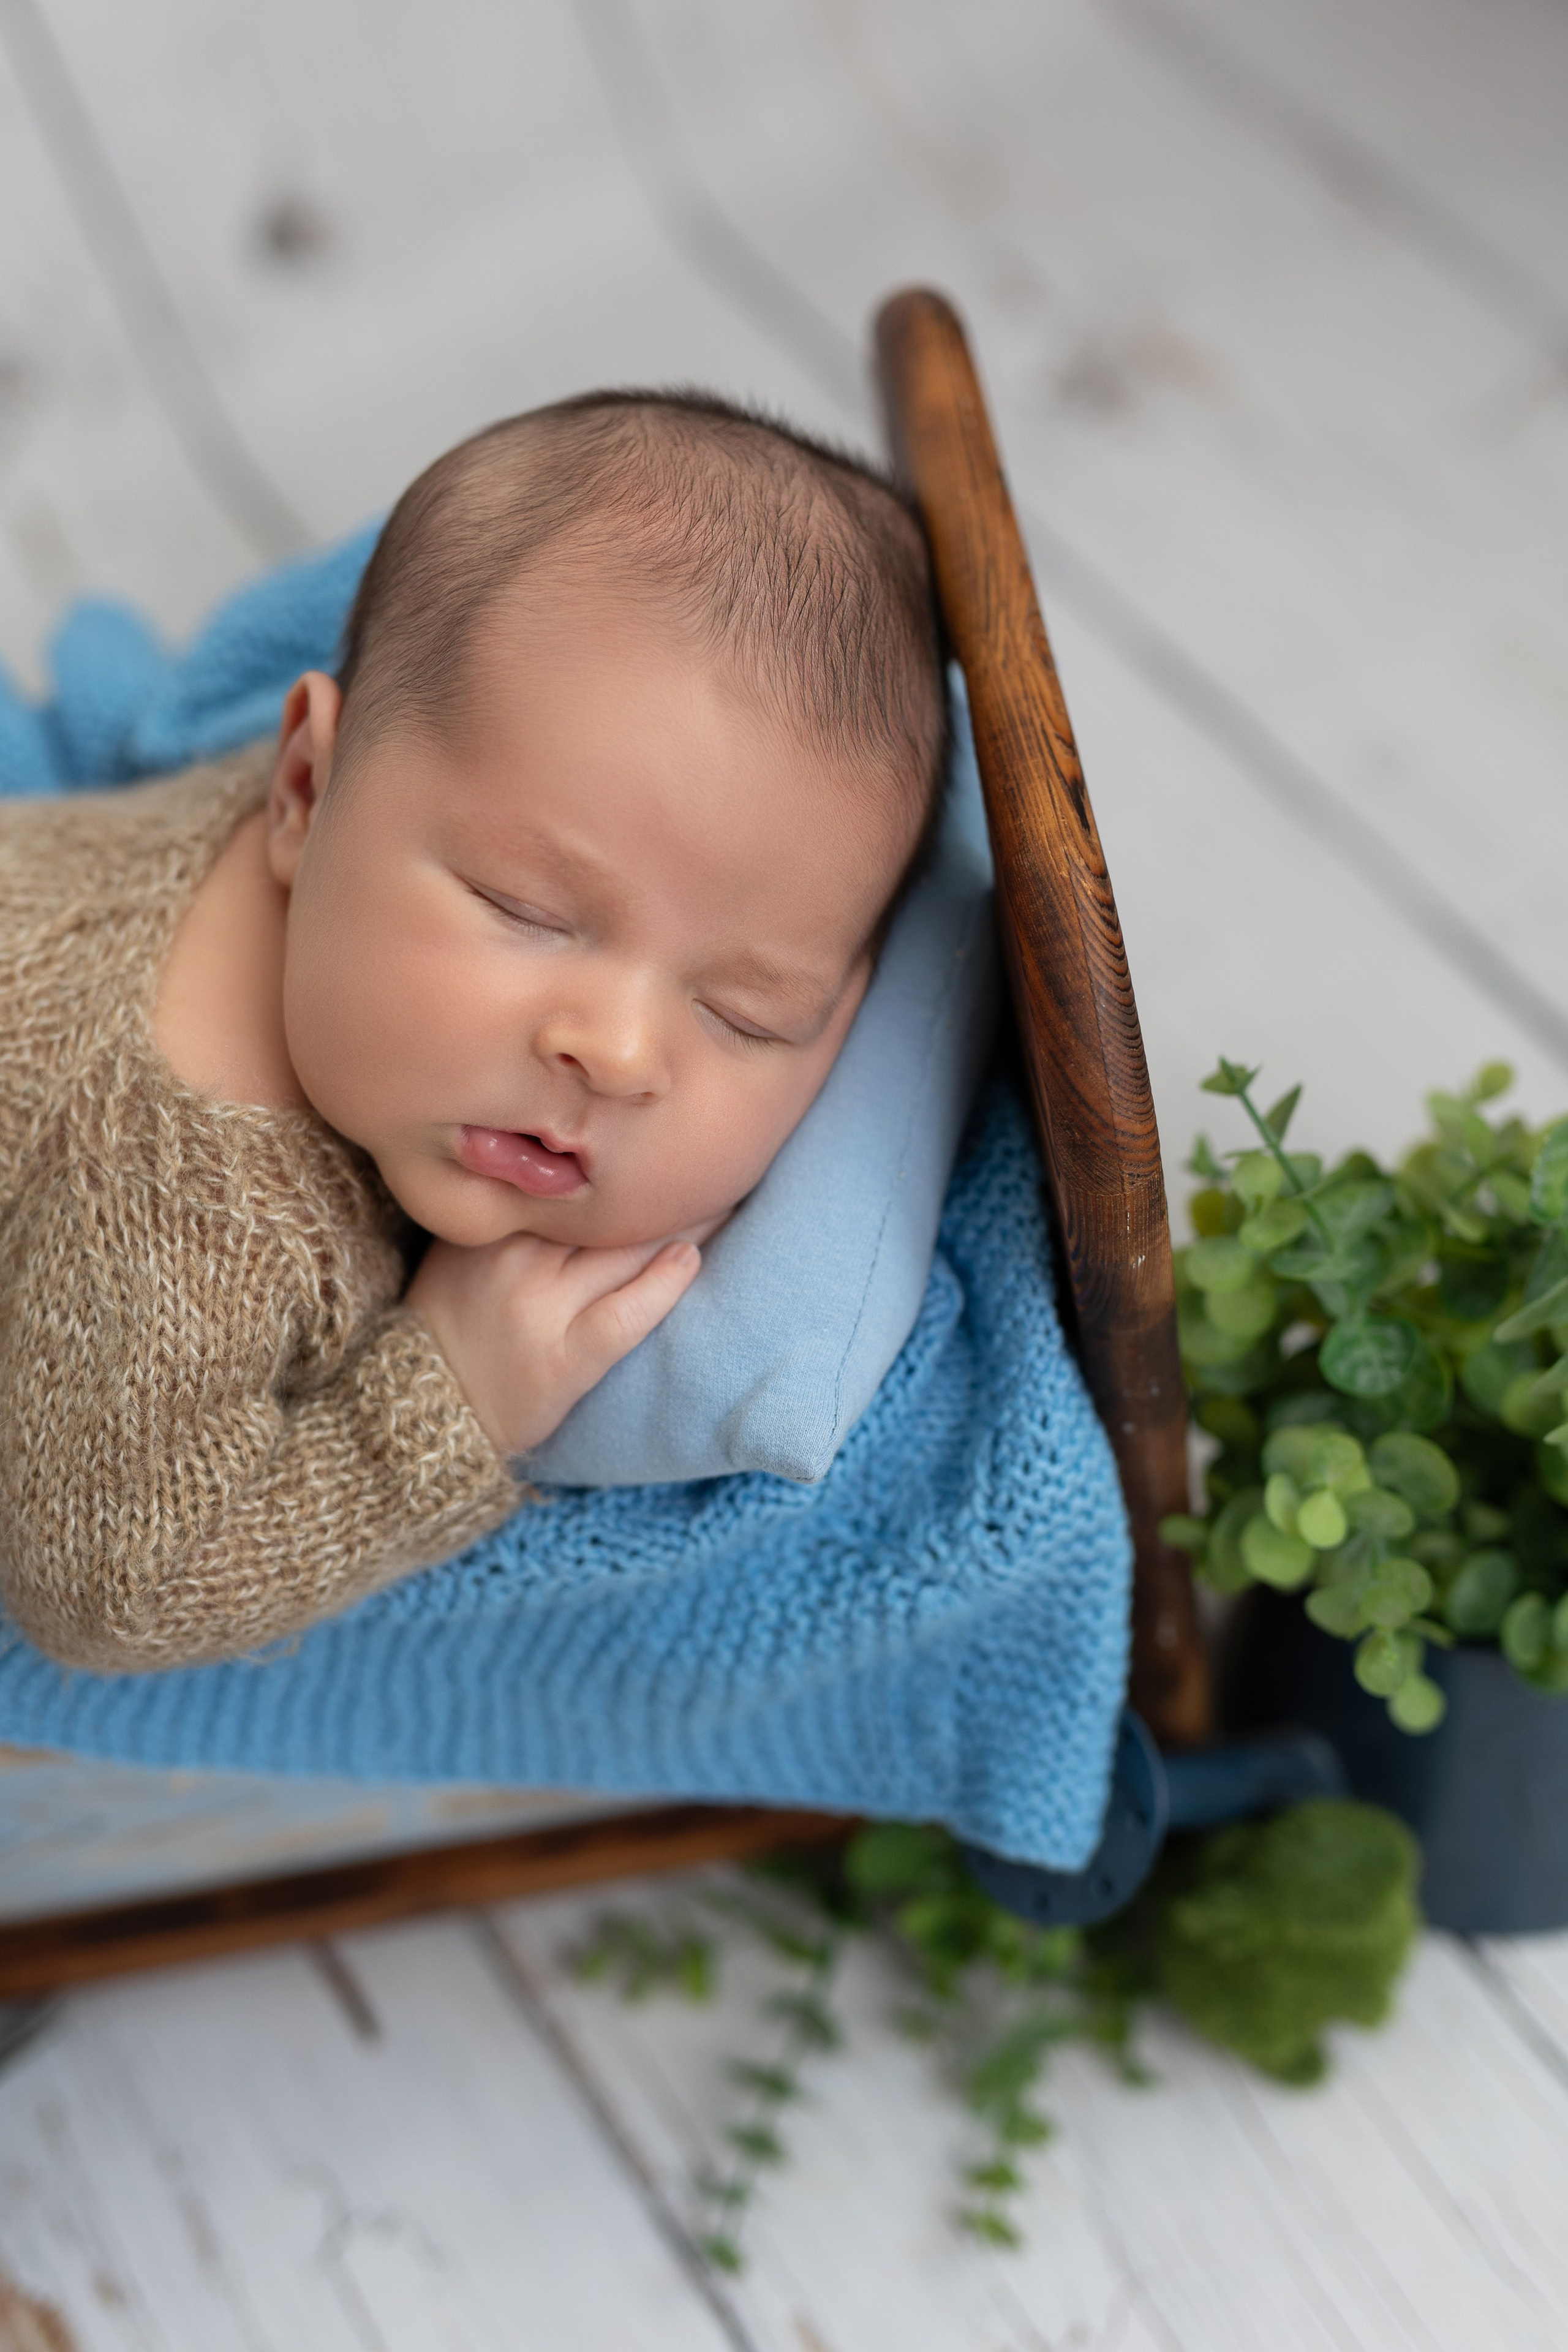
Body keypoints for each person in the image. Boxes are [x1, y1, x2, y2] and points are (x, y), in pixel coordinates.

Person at [0, 391, 948, 1673]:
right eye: (525, 909)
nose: (613, 1051)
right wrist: (445, 1398)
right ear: (303, 788)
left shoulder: (387, 848)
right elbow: (113, 1592)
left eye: (744, 1013)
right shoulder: (187, 1213)